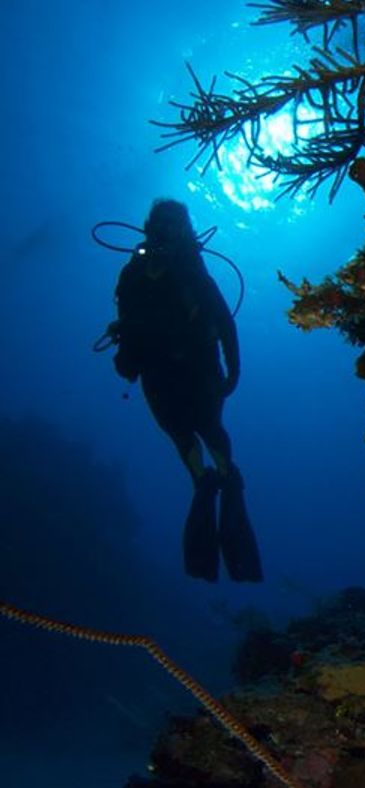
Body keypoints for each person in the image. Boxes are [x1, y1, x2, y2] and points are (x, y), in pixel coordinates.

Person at [110, 199, 262, 583]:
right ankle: (204, 480)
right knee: (179, 432)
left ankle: (226, 476)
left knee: (208, 427)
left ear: (185, 231)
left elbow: (225, 323)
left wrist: (234, 369)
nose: (166, 231)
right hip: (157, 373)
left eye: (174, 225)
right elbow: (126, 324)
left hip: (198, 369)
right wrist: (125, 356)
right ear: (149, 227)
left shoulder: (194, 273)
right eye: (161, 224)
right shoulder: (133, 273)